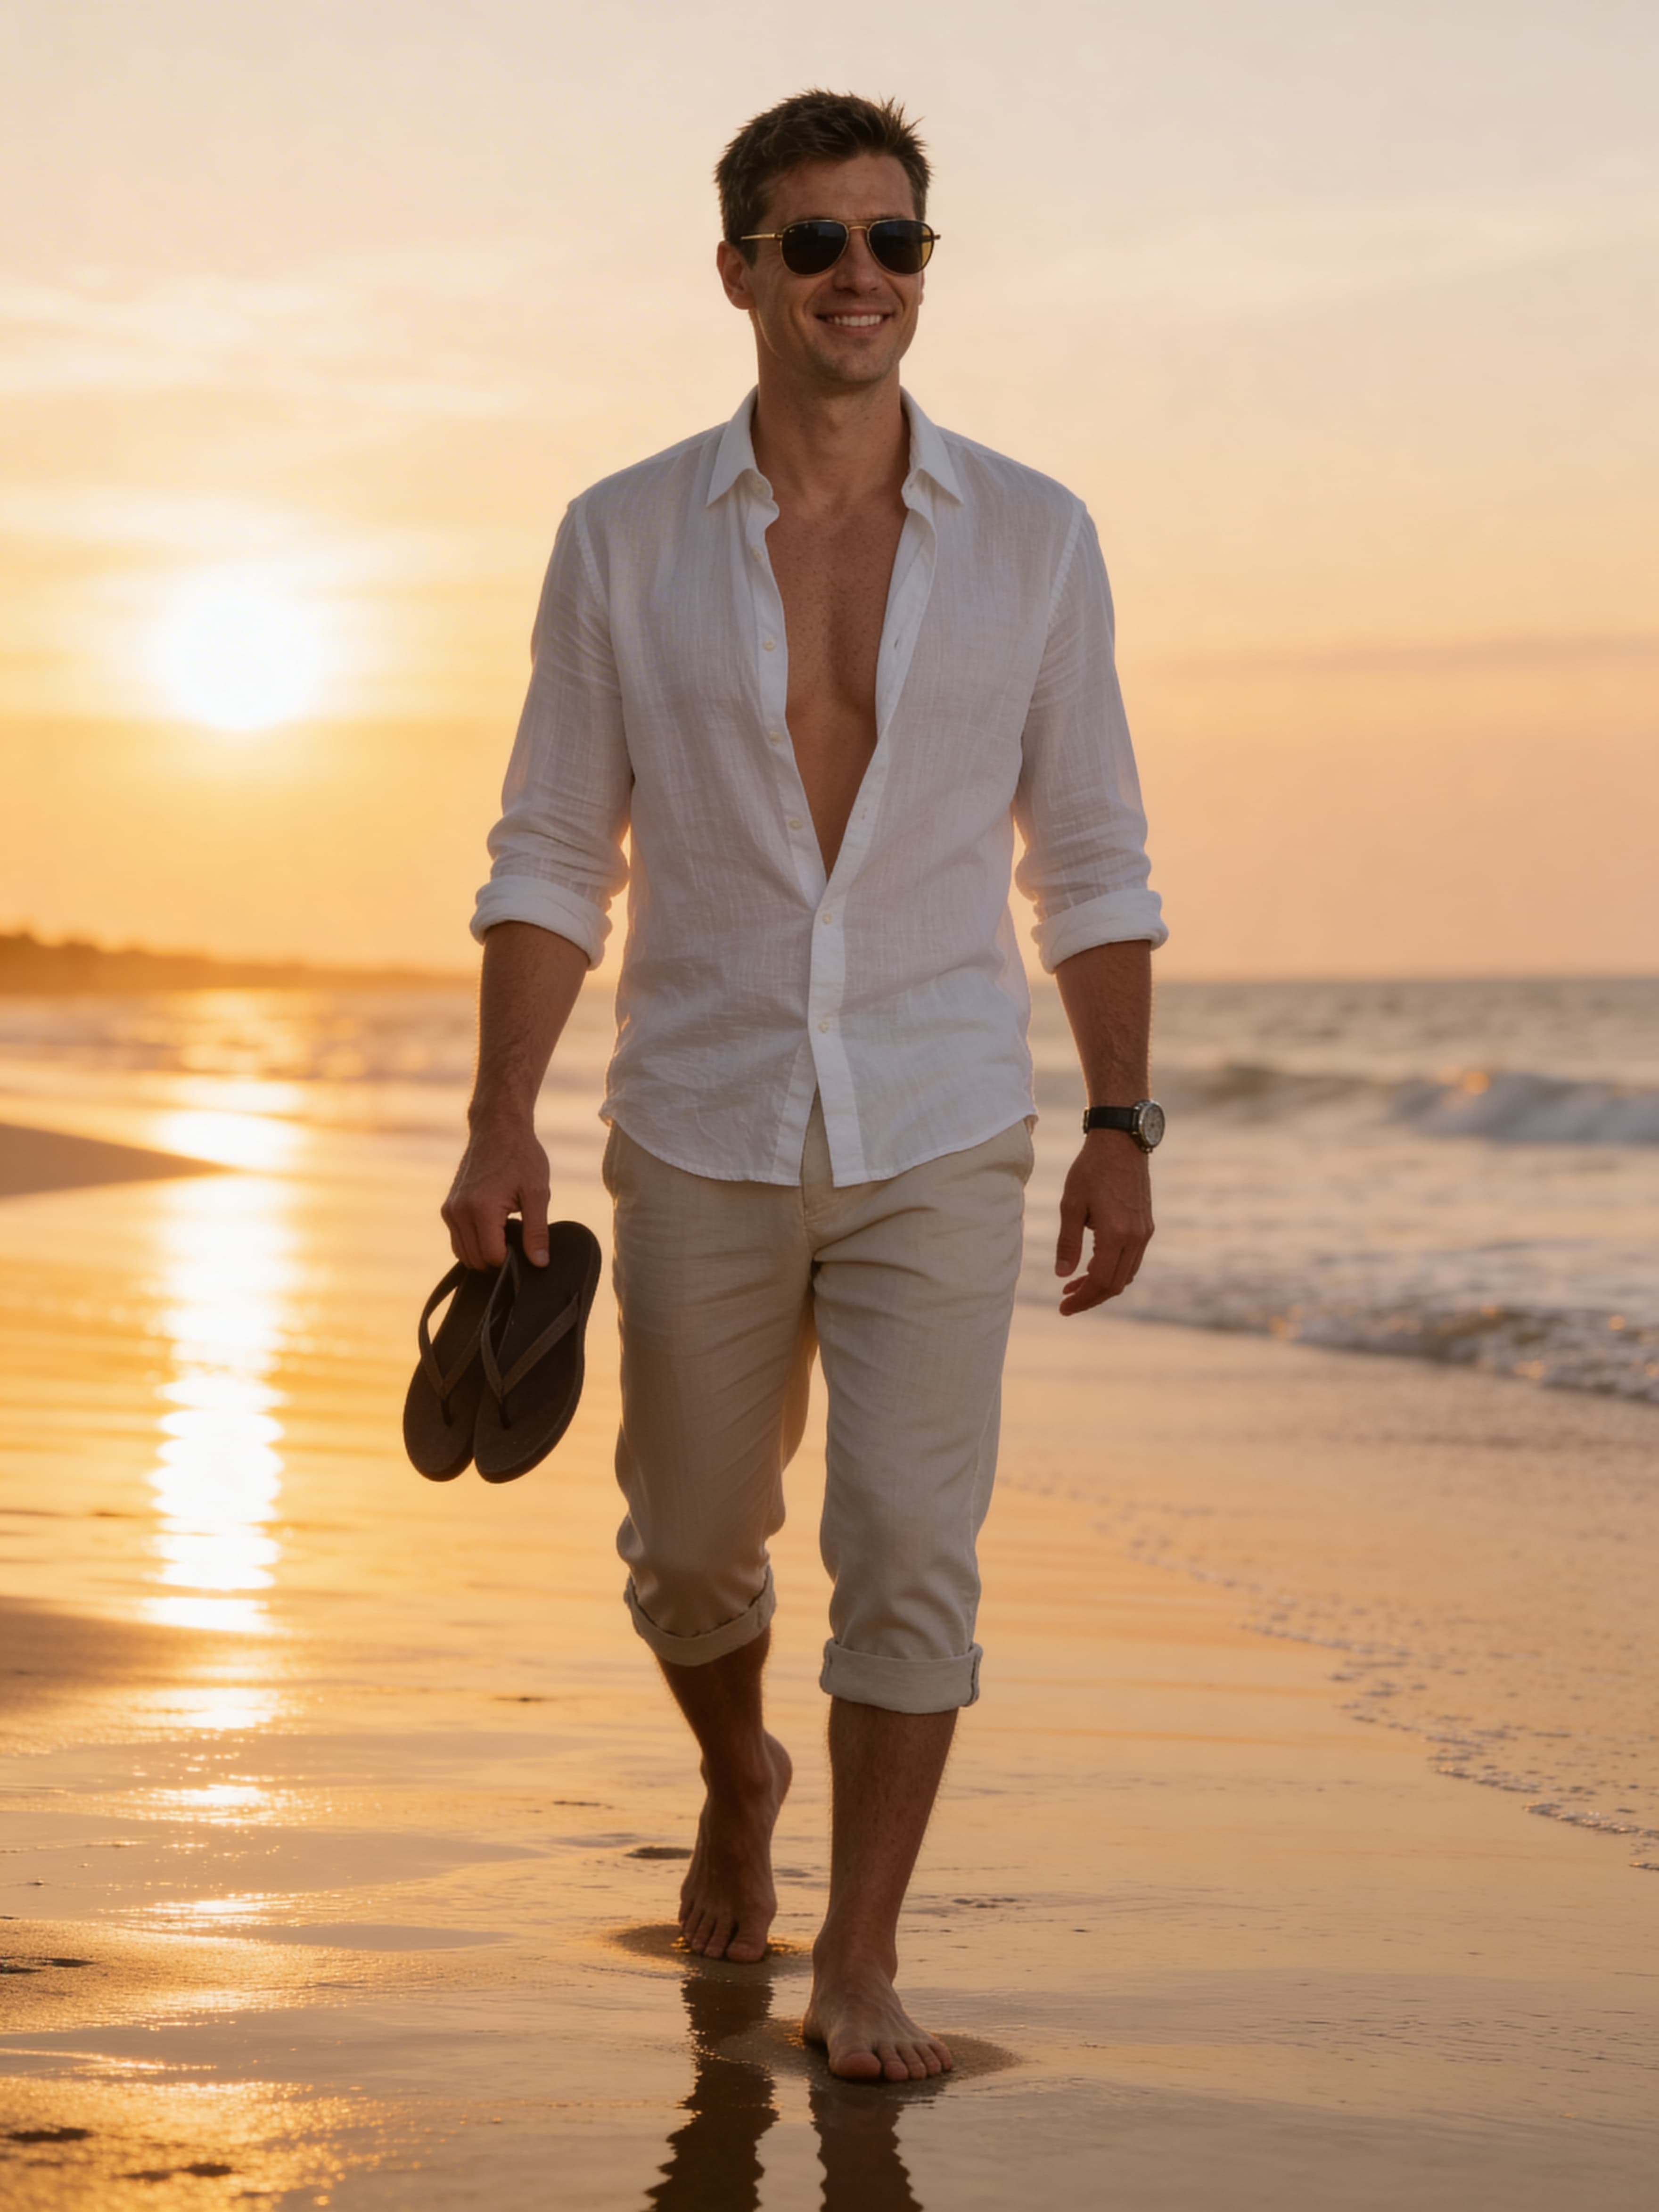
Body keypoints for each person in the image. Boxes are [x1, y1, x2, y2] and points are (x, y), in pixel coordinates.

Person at [442, 89, 1166, 2085]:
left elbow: (1092, 858)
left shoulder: (1035, 537)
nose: (862, 276)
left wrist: (1117, 1122)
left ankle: (859, 1953)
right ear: (740, 271)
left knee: (912, 1550)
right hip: (702, 1109)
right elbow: (548, 846)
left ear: (927, 264)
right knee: (685, 1543)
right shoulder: (619, 536)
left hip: (943, 1110)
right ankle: (736, 1772)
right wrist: (503, 1115)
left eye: (895, 241)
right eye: (818, 241)